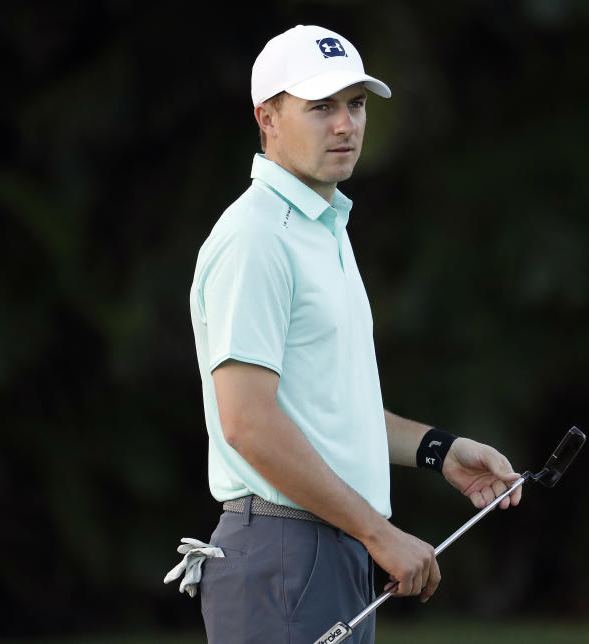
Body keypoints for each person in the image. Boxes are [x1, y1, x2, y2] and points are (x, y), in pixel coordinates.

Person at [187, 24, 522, 644]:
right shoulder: (258, 235)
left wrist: (440, 451)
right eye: (320, 107)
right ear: (268, 118)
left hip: (322, 551)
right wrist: (378, 532)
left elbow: (330, 412)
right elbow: (248, 423)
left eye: (356, 104)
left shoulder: (322, 226)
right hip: (285, 554)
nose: (345, 125)